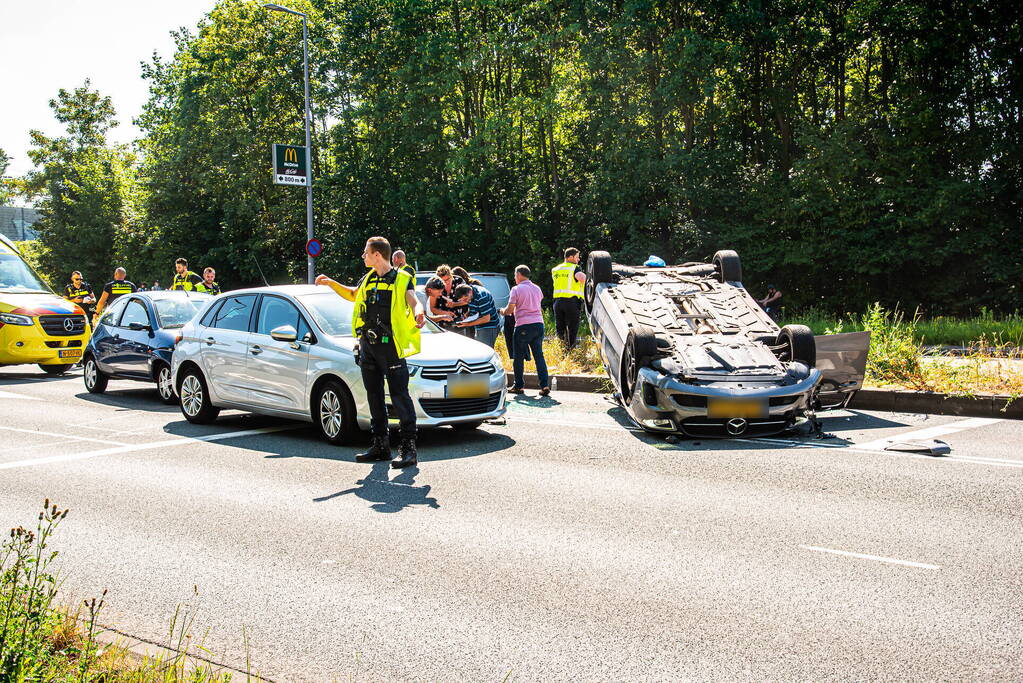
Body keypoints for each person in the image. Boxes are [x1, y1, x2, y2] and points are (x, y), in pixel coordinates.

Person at [314, 236, 425, 469]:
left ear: (377, 254)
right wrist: (331, 283)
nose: (363, 256)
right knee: (373, 396)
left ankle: (408, 448)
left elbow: (414, 301)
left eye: (366, 252)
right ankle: (380, 445)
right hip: (368, 345)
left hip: (391, 346)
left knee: (399, 396)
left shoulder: (401, 279)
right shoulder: (368, 279)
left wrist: (419, 313)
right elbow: (353, 295)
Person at [501, 265, 549, 396]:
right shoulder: (537, 288)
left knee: (518, 357)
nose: (515, 278)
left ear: (519, 275)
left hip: (523, 325)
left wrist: (502, 311)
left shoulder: (516, 289)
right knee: (539, 355)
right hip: (539, 324)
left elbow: (510, 310)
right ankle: (544, 385)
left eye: (515, 275)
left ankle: (519, 386)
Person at [551, 247, 586, 348]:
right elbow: (582, 278)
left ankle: (562, 349)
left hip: (557, 302)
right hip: (571, 302)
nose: (578, 260)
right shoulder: (574, 268)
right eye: (577, 257)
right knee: (572, 327)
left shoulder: (555, 269)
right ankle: (571, 350)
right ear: (570, 257)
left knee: (560, 327)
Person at [452, 282, 501, 347]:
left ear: (469, 292)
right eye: (462, 300)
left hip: (489, 327)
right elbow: (476, 306)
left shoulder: (482, 296)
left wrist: (468, 324)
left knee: (485, 351)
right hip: (479, 326)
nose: (465, 302)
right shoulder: (470, 291)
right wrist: (468, 314)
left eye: (465, 299)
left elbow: (486, 319)